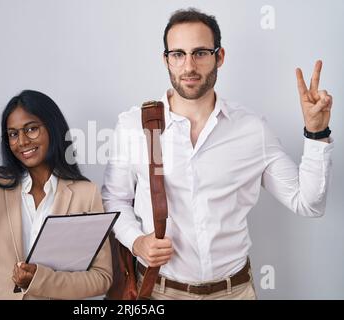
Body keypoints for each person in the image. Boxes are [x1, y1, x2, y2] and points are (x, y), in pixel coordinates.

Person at [102, 8, 334, 300]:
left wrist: (316, 133)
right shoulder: (133, 126)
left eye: (200, 53)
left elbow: (309, 204)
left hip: (235, 291)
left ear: (219, 57)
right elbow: (114, 199)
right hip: (159, 292)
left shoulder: (252, 129)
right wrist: (136, 242)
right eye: (178, 54)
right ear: (166, 60)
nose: (188, 66)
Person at [0, 90, 112, 299]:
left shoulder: (85, 193)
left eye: (31, 129)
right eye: (13, 134)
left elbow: (102, 277)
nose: (22, 141)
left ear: (53, 128)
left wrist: (40, 280)